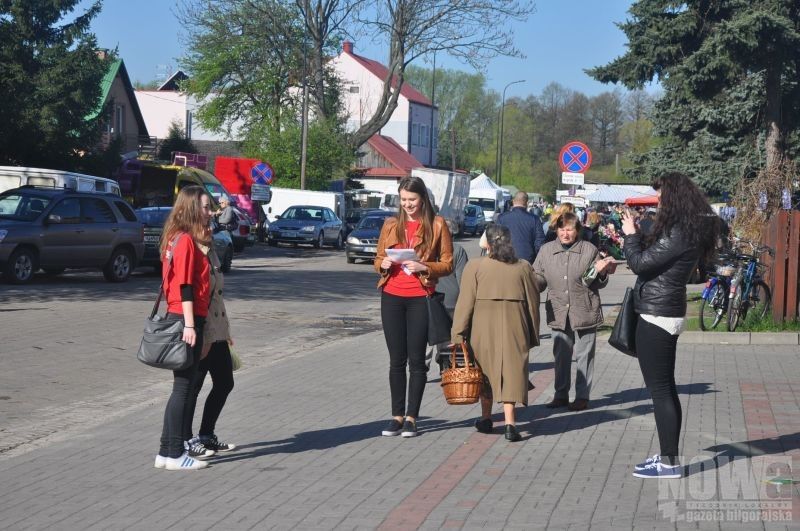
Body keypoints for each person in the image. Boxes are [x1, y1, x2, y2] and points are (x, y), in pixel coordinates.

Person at [621, 172, 719, 479]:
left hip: (657, 314)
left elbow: (640, 263)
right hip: (663, 311)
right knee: (664, 389)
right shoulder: (685, 229)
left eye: (662, 196)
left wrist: (630, 235)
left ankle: (668, 463)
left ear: (674, 197)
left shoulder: (680, 232)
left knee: (660, 390)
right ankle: (667, 457)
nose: (659, 201)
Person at [375, 176, 454, 438]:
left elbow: (448, 264)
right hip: (392, 296)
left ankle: (412, 417)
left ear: (423, 199)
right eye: (403, 200)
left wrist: (425, 266)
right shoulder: (390, 225)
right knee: (396, 360)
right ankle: (396, 416)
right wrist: (382, 264)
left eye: (412, 200)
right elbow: (377, 258)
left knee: (417, 360)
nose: (407, 205)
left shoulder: (437, 225)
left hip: (421, 296)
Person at [451, 224, 540, 442]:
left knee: (485, 372)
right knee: (510, 371)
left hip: (483, 325)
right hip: (515, 324)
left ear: (488, 244)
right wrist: (532, 332)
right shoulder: (523, 267)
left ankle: (487, 417)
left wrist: (457, 334)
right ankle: (510, 423)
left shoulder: (475, 266)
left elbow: (465, 304)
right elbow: (532, 302)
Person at [154, 186, 213, 471]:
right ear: (191, 207)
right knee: (183, 389)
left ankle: (166, 451)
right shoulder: (186, 240)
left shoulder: (173, 237)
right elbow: (185, 285)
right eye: (204, 206)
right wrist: (190, 324)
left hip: (177, 313)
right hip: (185, 316)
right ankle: (176, 453)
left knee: (180, 388)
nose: (208, 211)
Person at [532, 213, 616, 412]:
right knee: (561, 355)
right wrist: (529, 280)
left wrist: (602, 272)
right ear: (556, 230)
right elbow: (539, 278)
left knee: (584, 355)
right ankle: (560, 395)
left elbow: (593, 281)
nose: (565, 233)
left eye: (569, 229)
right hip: (558, 310)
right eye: (561, 229)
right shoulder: (546, 250)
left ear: (577, 230)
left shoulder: (589, 250)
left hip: (584, 308)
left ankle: (582, 397)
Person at [186, 242, 237, 456]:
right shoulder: (192, 250)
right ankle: (186, 442)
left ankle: (206, 435)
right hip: (201, 331)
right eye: (206, 217)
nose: (210, 225)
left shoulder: (212, 250)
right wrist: (204, 335)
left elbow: (216, 297)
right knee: (191, 389)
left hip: (217, 331)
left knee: (225, 382)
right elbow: (193, 296)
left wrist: (225, 332)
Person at [496, 191, 546, 264]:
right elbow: (539, 243)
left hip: (505, 259)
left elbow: (496, 240)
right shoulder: (535, 219)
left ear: (513, 201)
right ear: (526, 203)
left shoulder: (502, 218)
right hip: (527, 260)